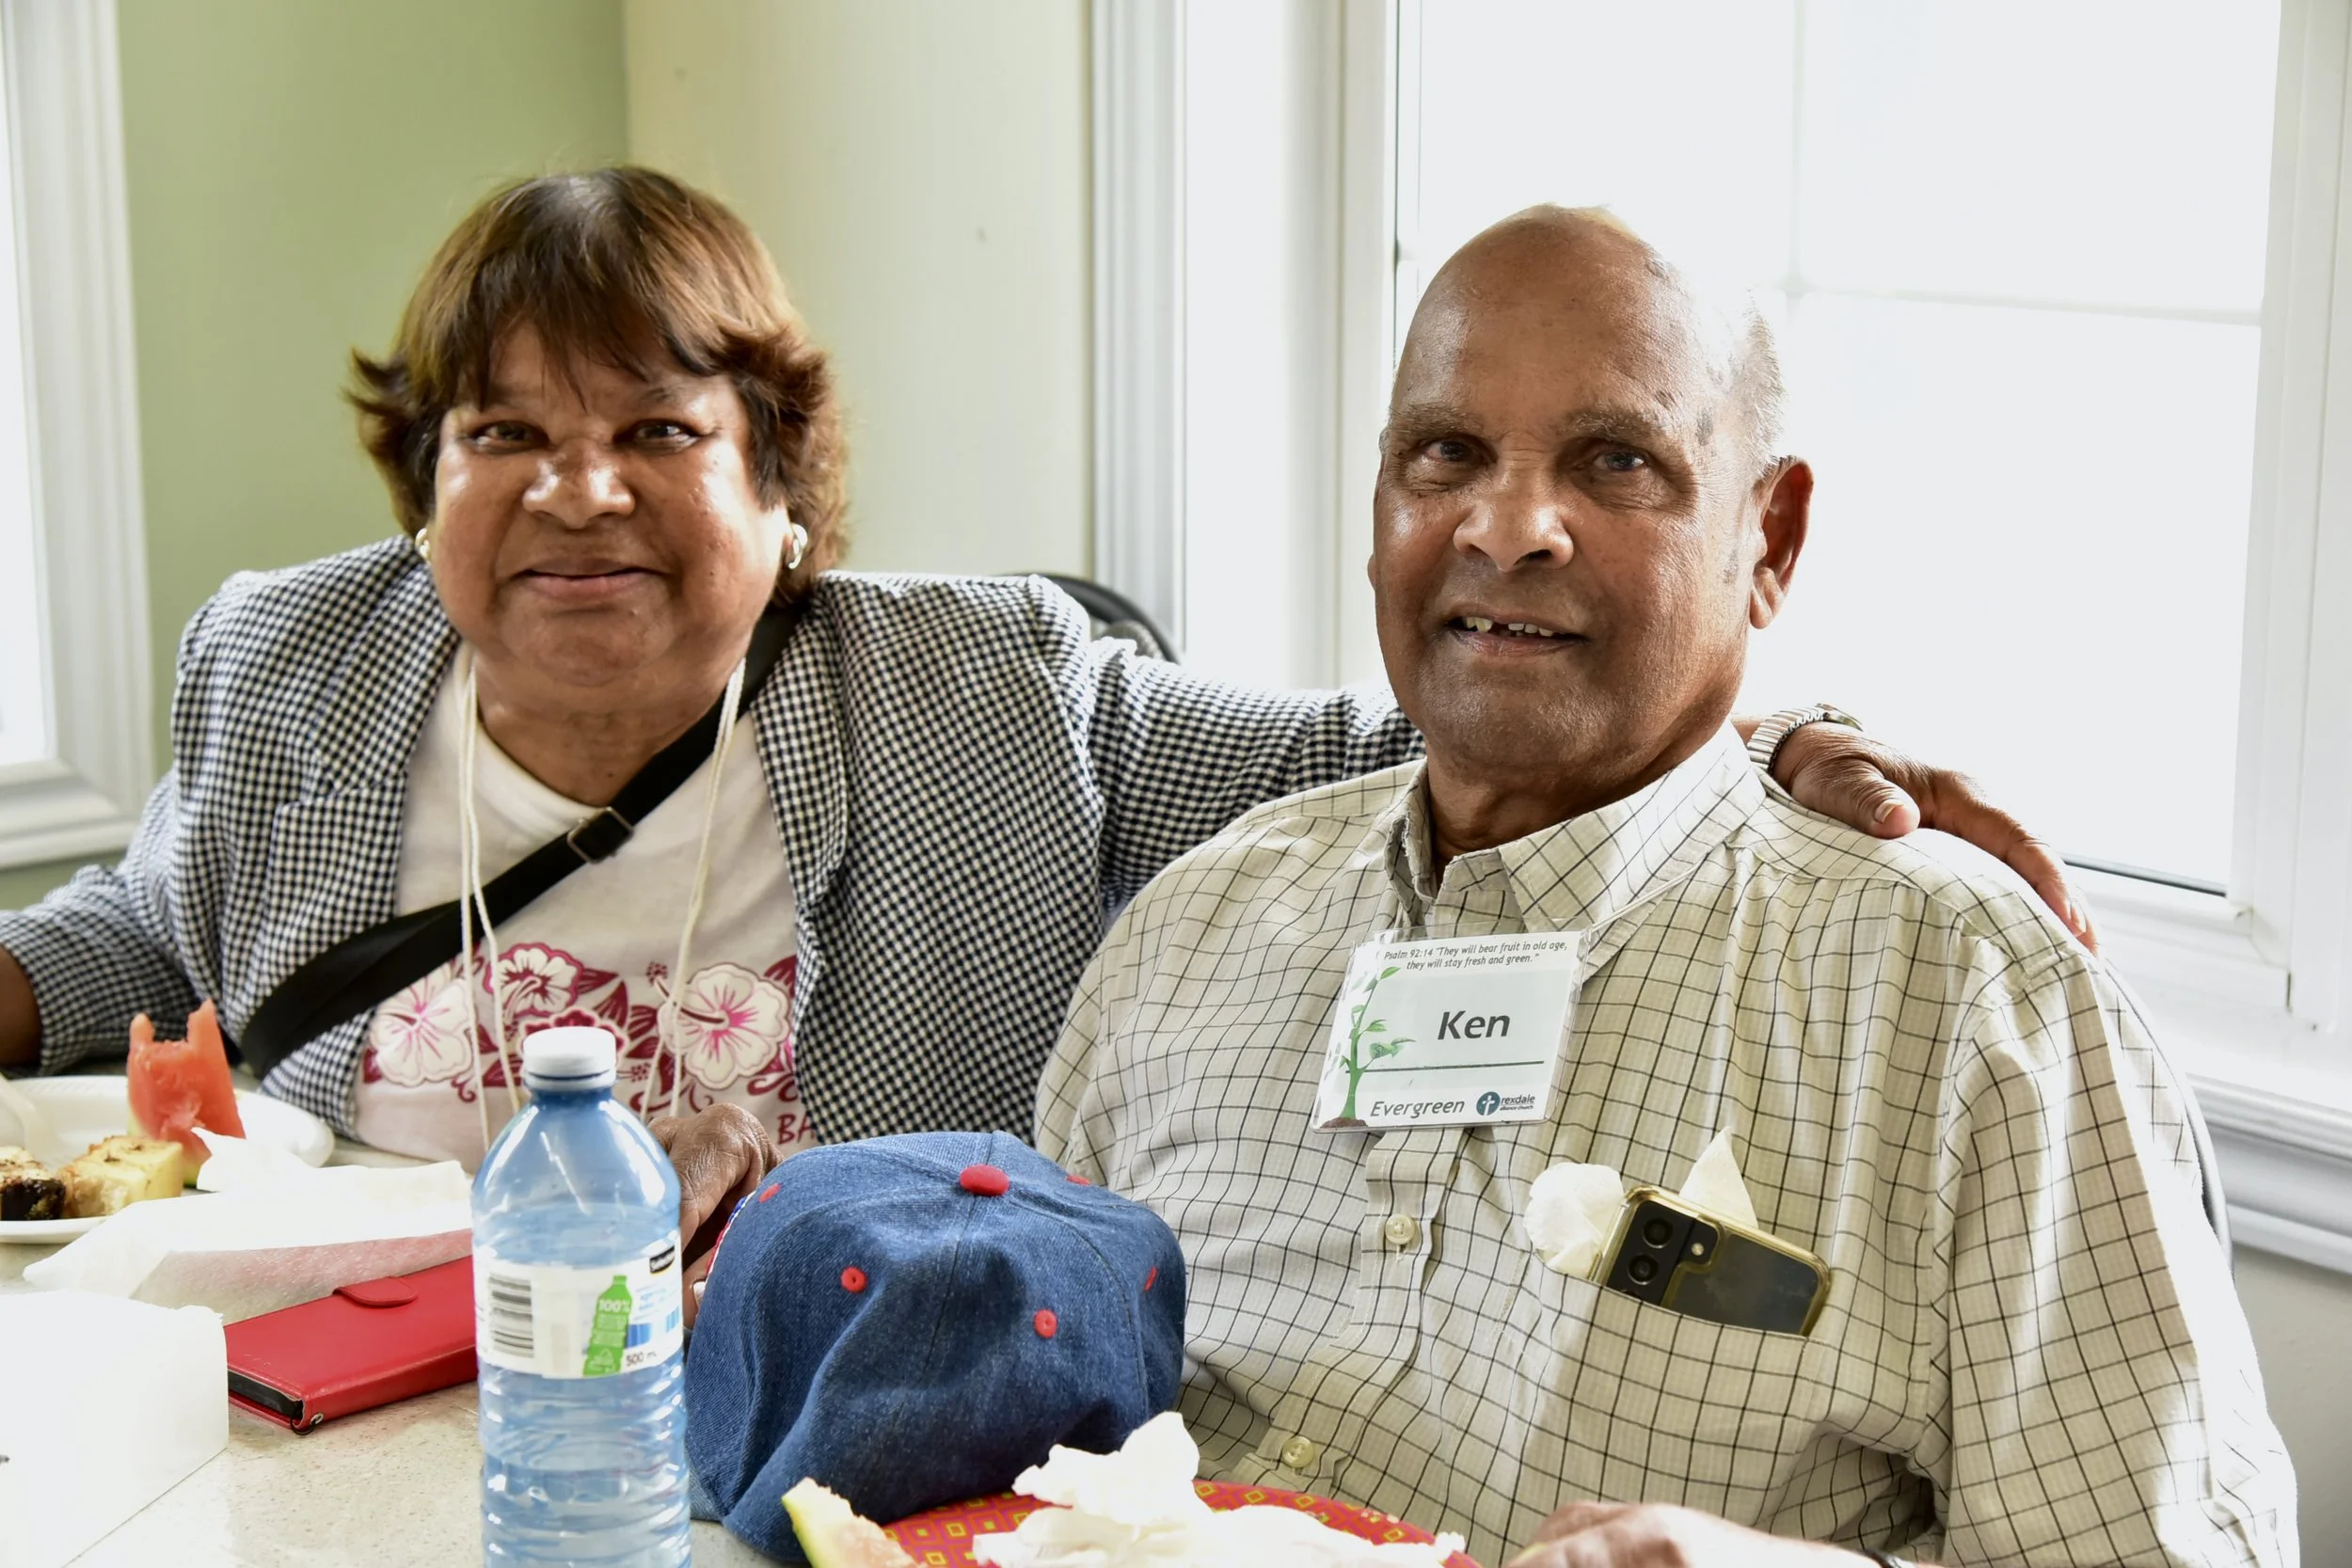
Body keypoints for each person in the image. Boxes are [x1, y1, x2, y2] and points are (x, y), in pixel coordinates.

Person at [0, 167, 2069, 1174]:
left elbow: (1437, 730)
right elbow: (155, 930)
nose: (576, 494)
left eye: (655, 431)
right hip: (328, 1437)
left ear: (783, 491)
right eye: (503, 434)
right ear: (423, 482)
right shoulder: (290, 661)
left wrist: (1771, 730)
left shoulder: (985, 699)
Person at [1025, 210, 2296, 1566]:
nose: (1508, 527)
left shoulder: (1971, 1004)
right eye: (1447, 453)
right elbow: (1004, 1418)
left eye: (1617, 461)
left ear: (1771, 541)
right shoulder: (1189, 932)